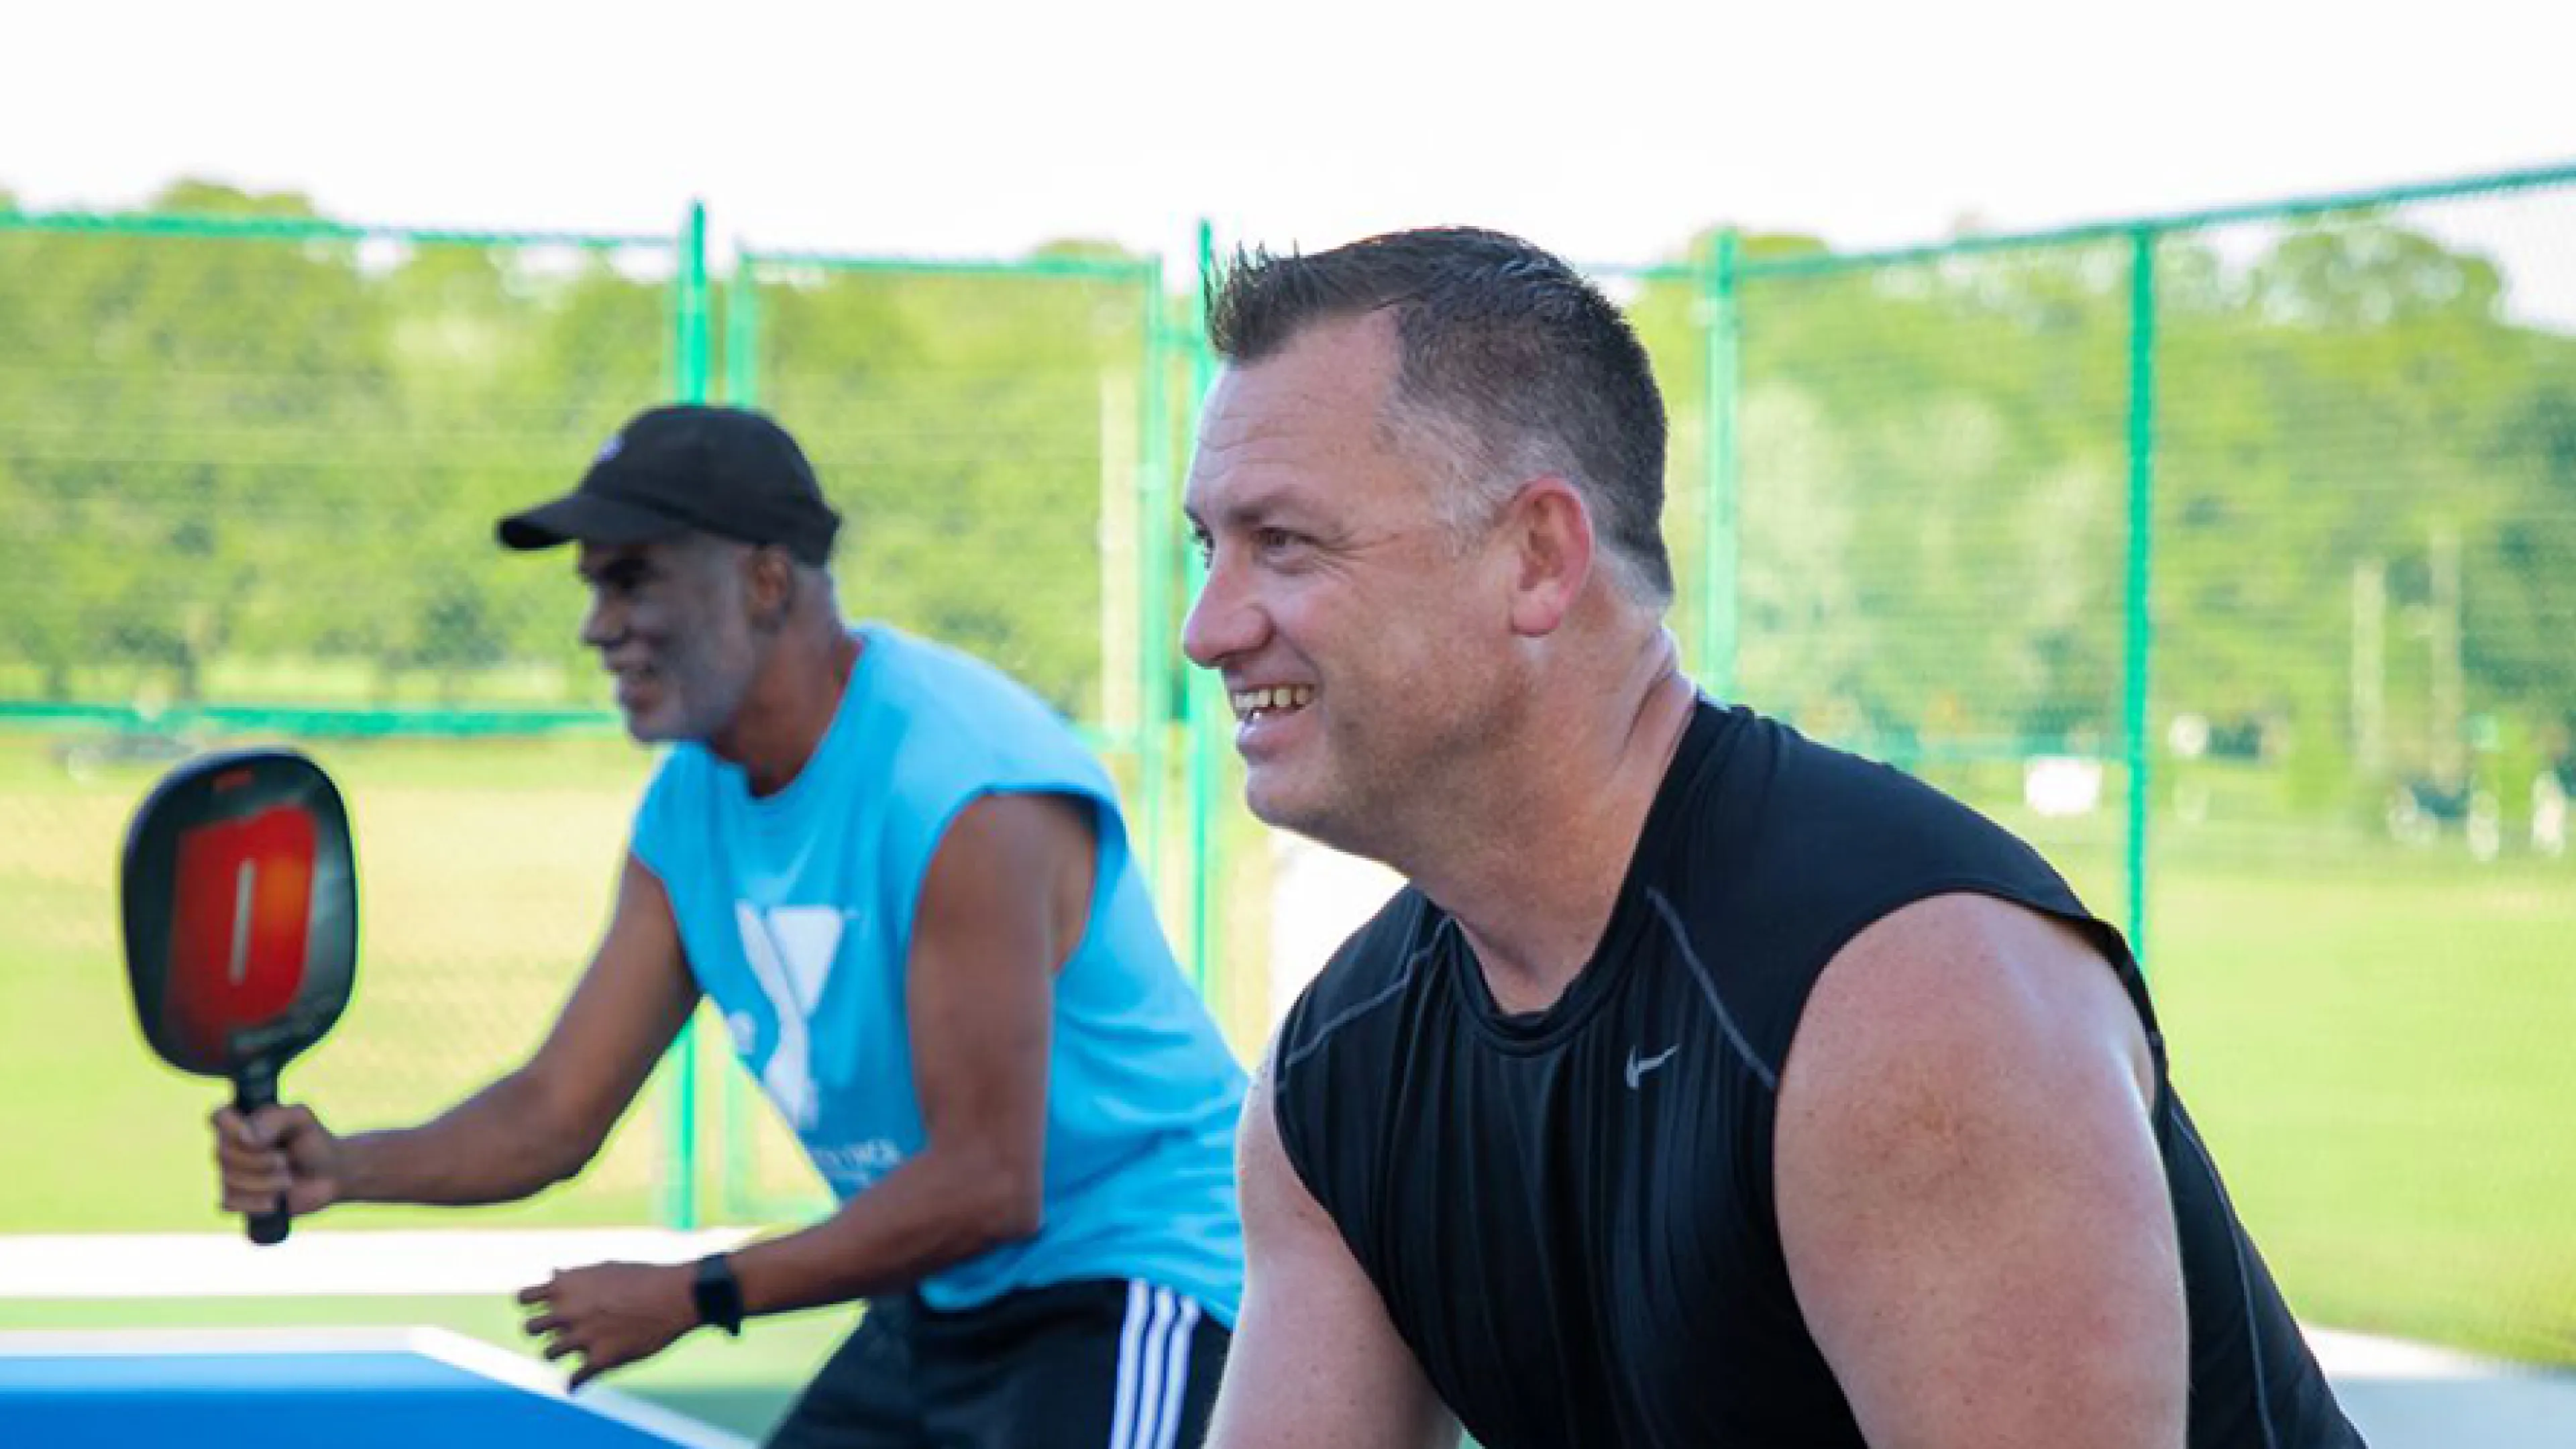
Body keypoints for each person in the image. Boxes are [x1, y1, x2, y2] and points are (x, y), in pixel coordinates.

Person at [1177, 229, 2361, 1448]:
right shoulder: (1336, 1079)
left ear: (1537, 558)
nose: (1207, 628)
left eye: (1286, 542)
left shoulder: (1911, 1002)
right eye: (1207, 547)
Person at [212, 404, 1245, 1449]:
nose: (596, 625)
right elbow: (553, 1113)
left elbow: (987, 1185)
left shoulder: (965, 790)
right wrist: (341, 1166)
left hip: (1135, 1274)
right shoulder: (688, 809)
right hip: (948, 1290)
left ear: (762, 581)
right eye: (593, 585)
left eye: (633, 579)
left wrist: (698, 1291)